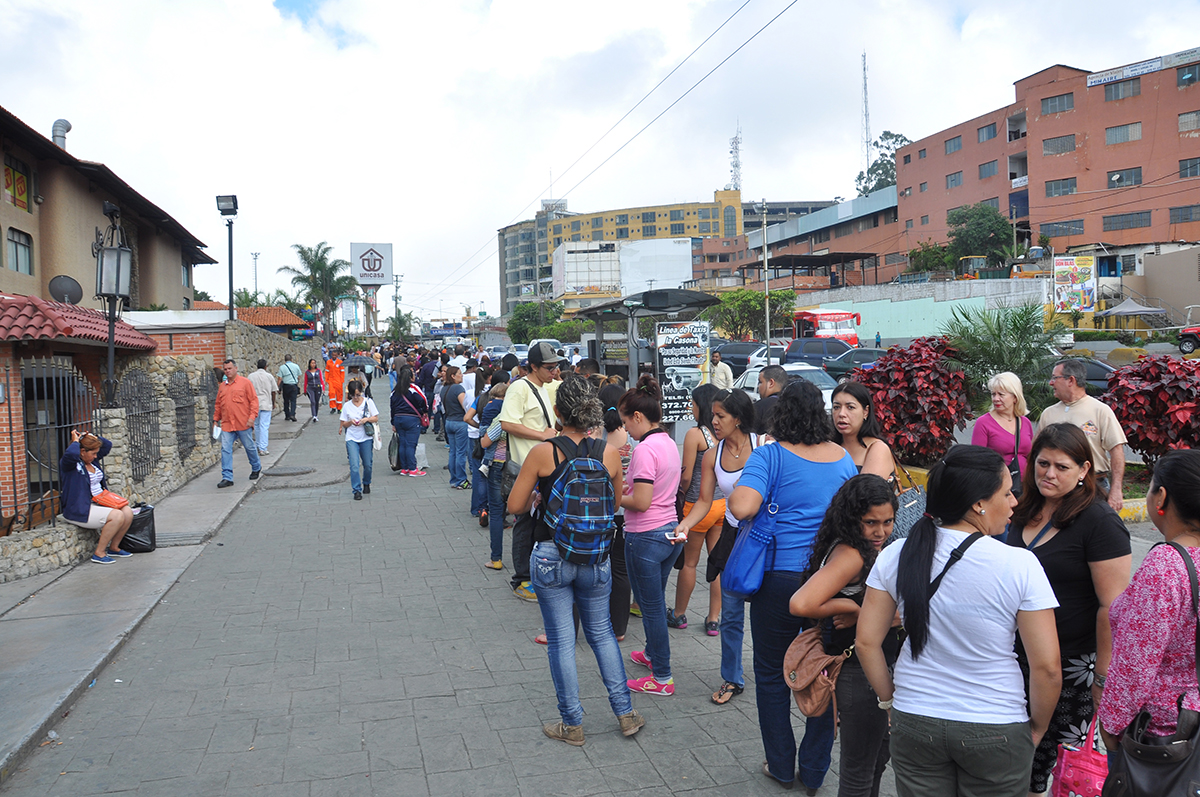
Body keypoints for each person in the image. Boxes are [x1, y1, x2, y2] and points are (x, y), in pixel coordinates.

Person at [856, 445, 1062, 797]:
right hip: (995, 725)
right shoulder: (1020, 565)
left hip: (915, 718)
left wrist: (890, 702)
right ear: (978, 503)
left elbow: (866, 642)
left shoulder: (895, 553)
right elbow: (1047, 667)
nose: (1014, 502)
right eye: (1006, 492)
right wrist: (1038, 729)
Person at [728, 379, 857, 791]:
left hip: (778, 582)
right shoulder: (841, 458)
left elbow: (743, 506)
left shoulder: (769, 456)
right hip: (827, 580)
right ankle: (816, 769)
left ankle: (781, 765)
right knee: (823, 669)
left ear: (780, 414)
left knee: (769, 674)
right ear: (820, 414)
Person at [506, 374, 644, 745]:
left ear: (557, 411)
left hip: (552, 554)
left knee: (562, 641)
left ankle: (572, 724)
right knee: (602, 636)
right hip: (596, 556)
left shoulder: (544, 452)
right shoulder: (609, 453)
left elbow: (514, 507)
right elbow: (613, 504)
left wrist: (543, 495)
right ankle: (626, 713)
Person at [1005, 422, 1131, 795]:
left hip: (1072, 666)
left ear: (1083, 471)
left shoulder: (1099, 521)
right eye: (1043, 464)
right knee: (1018, 760)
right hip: (1015, 656)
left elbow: (1112, 606)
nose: (1049, 474)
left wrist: (1103, 679)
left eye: (1062, 467)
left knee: (1059, 764)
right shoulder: (1022, 506)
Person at [790, 474, 900, 797]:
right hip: (859, 673)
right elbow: (800, 603)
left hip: (869, 670)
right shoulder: (852, 554)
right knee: (858, 773)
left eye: (888, 521)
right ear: (853, 519)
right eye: (871, 522)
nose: (880, 531)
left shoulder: (857, 546)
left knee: (875, 762)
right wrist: (855, 609)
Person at [1099, 449, 1200, 755]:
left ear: (1162, 498)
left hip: (1164, 740)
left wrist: (1110, 726)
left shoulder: (1165, 566)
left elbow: (1135, 665)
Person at [685, 386, 760, 706]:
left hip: (764, 539)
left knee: (771, 612)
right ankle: (732, 677)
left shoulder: (764, 446)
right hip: (732, 537)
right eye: (712, 415)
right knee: (730, 615)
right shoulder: (713, 455)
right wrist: (685, 524)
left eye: (720, 416)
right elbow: (704, 500)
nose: (713, 421)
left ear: (738, 419)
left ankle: (786, 669)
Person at [619, 374, 684, 696]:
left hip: (645, 536)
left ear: (638, 417)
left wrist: (613, 493)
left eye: (626, 422)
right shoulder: (668, 443)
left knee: (651, 607)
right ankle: (652, 654)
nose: (625, 430)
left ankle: (662, 676)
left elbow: (641, 502)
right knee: (654, 602)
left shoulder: (645, 450)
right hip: (669, 532)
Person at [499, 342, 563, 602]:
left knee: (538, 523)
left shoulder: (543, 388)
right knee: (524, 523)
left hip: (543, 465)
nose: (554, 372)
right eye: (549, 367)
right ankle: (521, 579)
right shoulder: (519, 388)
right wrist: (542, 435)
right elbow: (507, 423)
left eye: (556, 366)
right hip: (526, 466)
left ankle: (534, 574)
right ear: (533, 367)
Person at [669, 383, 724, 636]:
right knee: (717, 563)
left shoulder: (695, 435)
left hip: (697, 506)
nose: (690, 408)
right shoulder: (724, 431)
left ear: (700, 405)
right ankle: (714, 619)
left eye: (692, 403)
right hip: (723, 506)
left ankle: (679, 614)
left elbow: (687, 476)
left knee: (690, 564)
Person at [1040, 358, 1127, 512]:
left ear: (1070, 380)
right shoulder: (1048, 414)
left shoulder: (1100, 410)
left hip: (1094, 487)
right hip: (1058, 489)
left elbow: (1117, 451)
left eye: (1054, 378)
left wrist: (1116, 490)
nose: (1050, 383)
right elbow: (1037, 453)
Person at [60, 430, 135, 565]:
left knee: (127, 512)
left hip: (99, 502)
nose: (96, 456)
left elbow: (107, 445)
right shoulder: (70, 464)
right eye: (93, 453)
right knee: (117, 516)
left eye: (96, 453)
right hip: (81, 507)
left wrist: (92, 436)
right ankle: (99, 553)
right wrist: (76, 441)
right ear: (82, 452)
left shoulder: (92, 462)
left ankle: (114, 548)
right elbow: (71, 453)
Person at [972, 371, 1034, 484]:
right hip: (997, 485)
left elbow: (1031, 456)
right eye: (993, 394)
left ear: (1015, 397)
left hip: (1025, 486)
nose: (995, 399)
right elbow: (977, 460)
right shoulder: (983, 423)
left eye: (1001, 394)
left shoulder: (1025, 422)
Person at [830, 382, 896, 480]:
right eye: (836, 407)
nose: (841, 414)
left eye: (850, 407)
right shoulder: (828, 446)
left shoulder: (877, 449)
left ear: (865, 412)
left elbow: (864, 493)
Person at [213, 359, 262, 488]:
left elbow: (253, 401)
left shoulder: (245, 383)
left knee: (249, 447)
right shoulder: (222, 387)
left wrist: (252, 417)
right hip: (228, 424)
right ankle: (227, 477)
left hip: (243, 423)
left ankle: (256, 466)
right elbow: (218, 405)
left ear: (235, 368)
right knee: (225, 449)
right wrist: (215, 421)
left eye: (229, 368)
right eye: (225, 369)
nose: (227, 371)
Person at [478, 380, 511, 569]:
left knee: (497, 512)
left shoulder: (503, 419)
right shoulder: (526, 418)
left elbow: (485, 442)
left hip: (498, 466)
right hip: (520, 466)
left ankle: (496, 559)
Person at [339, 380, 378, 500]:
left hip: (366, 437)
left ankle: (367, 482)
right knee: (354, 465)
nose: (356, 398)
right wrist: (350, 422)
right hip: (352, 438)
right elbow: (343, 423)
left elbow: (375, 418)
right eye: (353, 395)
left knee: (368, 464)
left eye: (358, 394)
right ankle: (356, 490)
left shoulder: (368, 402)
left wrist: (366, 420)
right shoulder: (347, 406)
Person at [390, 364, 429, 477]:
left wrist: (393, 422)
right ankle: (413, 468)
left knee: (403, 443)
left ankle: (405, 468)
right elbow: (423, 401)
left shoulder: (394, 391)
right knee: (411, 444)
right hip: (411, 419)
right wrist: (423, 411)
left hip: (398, 419)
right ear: (411, 377)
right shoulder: (414, 388)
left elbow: (392, 408)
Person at [441, 365, 471, 490]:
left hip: (449, 422)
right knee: (461, 453)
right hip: (460, 423)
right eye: (459, 373)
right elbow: (465, 406)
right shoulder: (458, 388)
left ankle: (454, 480)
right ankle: (461, 480)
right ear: (453, 376)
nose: (462, 375)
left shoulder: (444, 389)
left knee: (453, 452)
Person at [248, 358, 277, 456]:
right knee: (264, 426)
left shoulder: (251, 376)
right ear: (266, 366)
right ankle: (263, 448)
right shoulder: (269, 376)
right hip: (266, 403)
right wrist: (273, 403)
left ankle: (258, 445)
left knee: (256, 426)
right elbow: (273, 391)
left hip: (254, 404)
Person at [754, 364, 787, 435]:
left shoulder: (761, 406)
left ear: (771, 383)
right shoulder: (794, 403)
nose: (758, 387)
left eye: (760, 382)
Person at [276, 354, 302, 422]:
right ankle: (292, 414)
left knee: (286, 401)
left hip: (286, 386)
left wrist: (278, 387)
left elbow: (280, 378)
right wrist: (296, 382)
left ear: (285, 360)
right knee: (293, 401)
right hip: (293, 385)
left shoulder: (282, 367)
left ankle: (287, 415)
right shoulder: (296, 366)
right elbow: (299, 376)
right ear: (291, 359)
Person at [304, 358, 325, 423]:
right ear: (309, 364)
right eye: (312, 363)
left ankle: (316, 414)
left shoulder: (318, 371)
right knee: (312, 401)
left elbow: (321, 379)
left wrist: (323, 388)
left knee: (316, 401)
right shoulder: (307, 372)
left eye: (314, 363)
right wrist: (305, 390)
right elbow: (305, 381)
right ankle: (314, 416)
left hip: (318, 387)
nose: (313, 364)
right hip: (310, 388)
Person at [325, 350, 345, 414]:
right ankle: (333, 407)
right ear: (331, 355)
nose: (334, 356)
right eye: (333, 355)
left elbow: (342, 372)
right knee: (331, 394)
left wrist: (342, 380)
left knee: (339, 394)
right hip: (331, 380)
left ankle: (339, 408)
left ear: (337, 355)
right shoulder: (328, 362)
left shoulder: (340, 362)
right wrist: (327, 380)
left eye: (335, 355)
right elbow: (327, 371)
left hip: (338, 380)